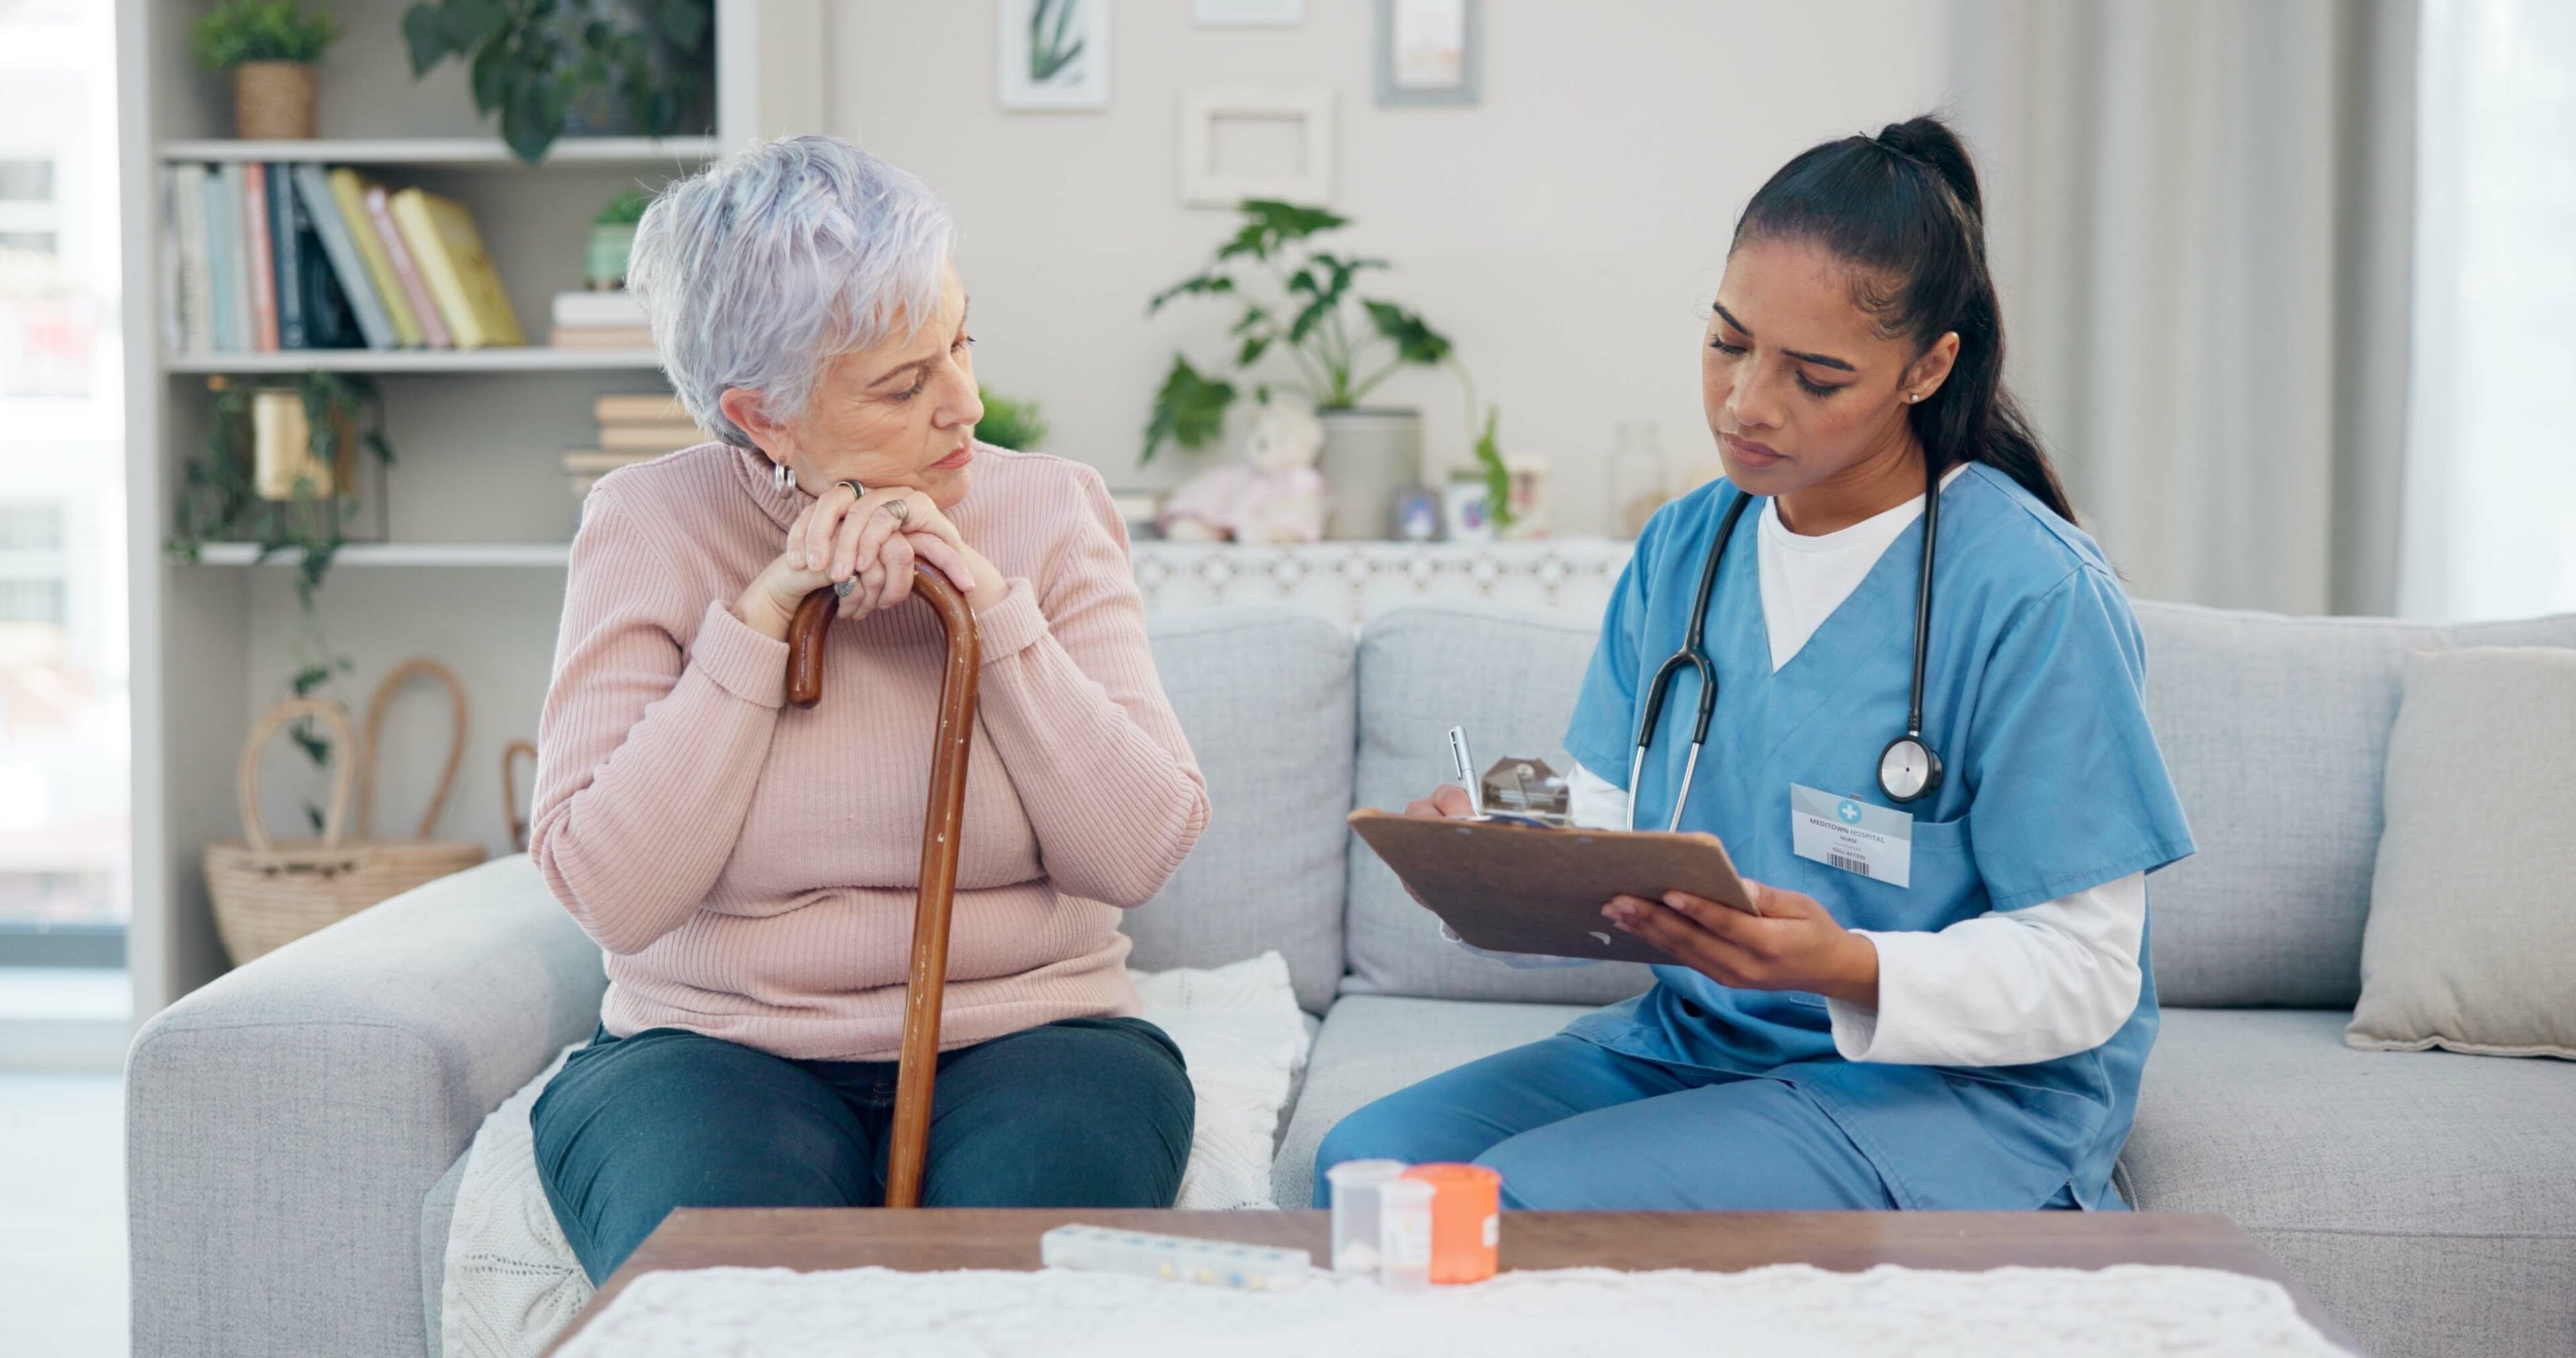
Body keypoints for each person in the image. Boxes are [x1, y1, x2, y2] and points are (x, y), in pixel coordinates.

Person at [1316, 115, 2194, 1212]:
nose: (1747, 403)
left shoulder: (2033, 592)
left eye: (1815, 376)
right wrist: (1500, 821)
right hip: (1704, 1041)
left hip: (1947, 1089)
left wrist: (1848, 966)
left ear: (1928, 366)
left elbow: (2090, 970)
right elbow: (1620, 796)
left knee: (1511, 1206)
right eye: (1728, 343)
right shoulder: (1691, 544)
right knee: (1369, 1173)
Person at [526, 135, 1209, 1283]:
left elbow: (1138, 848)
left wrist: (991, 611)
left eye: (960, 342)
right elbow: (613, 888)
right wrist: (757, 626)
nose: (967, 404)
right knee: (732, 1299)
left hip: (1038, 1036)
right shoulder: (649, 523)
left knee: (1013, 1293)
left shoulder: (1050, 508)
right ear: (763, 417)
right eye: (903, 385)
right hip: (711, 1047)